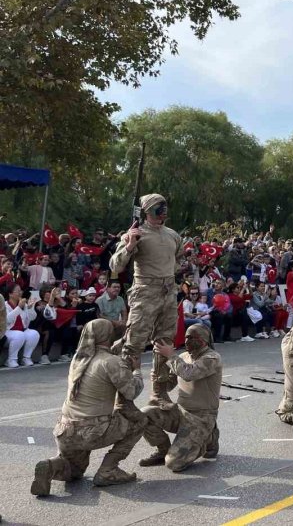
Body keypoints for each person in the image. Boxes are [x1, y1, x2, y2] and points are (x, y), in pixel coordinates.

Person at [30, 319, 144, 496]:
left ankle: (51, 466)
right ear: (106, 335)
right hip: (92, 430)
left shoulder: (78, 358)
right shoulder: (111, 362)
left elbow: (103, 356)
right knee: (139, 421)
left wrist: (122, 342)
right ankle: (109, 470)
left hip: (65, 430)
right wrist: (136, 371)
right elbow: (131, 392)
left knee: (75, 471)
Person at [109, 193, 182, 406]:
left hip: (168, 291)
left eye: (165, 206)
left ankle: (158, 392)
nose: (164, 210)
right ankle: (124, 395)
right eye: (159, 207)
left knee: (165, 340)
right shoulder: (135, 234)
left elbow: (175, 260)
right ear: (148, 210)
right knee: (134, 343)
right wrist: (130, 244)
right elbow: (115, 266)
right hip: (145, 292)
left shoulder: (173, 235)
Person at [139, 323, 222, 471]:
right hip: (180, 412)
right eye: (186, 337)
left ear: (203, 340)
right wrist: (158, 376)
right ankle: (162, 449)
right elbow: (170, 384)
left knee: (174, 464)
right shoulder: (183, 357)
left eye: (192, 337)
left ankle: (207, 438)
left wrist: (170, 355)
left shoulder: (212, 358)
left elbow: (188, 374)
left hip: (201, 417)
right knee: (144, 414)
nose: (187, 341)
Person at [5, 284, 40, 368]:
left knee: (34, 334)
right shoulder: (5, 305)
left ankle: (26, 358)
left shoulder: (23, 304)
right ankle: (11, 359)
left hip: (22, 330)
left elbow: (32, 318)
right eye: (17, 291)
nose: (20, 293)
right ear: (10, 294)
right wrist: (19, 308)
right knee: (19, 335)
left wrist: (30, 308)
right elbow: (7, 320)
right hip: (8, 332)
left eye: (21, 290)